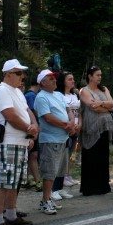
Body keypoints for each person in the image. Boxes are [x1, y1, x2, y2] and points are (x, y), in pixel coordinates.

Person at [0, 59, 35, 225]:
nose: (22, 76)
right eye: (18, 73)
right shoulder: (1, 90)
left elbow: (27, 111)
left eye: (22, 73)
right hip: (7, 141)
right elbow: (10, 116)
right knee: (3, 182)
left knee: (13, 182)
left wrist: (33, 126)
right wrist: (29, 128)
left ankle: (11, 215)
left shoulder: (17, 91)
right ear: (8, 74)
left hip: (20, 141)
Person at [34, 69, 74, 214]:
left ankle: (49, 198)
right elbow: (48, 117)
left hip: (62, 138)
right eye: (50, 79)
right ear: (42, 83)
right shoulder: (41, 97)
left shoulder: (58, 94)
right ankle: (45, 201)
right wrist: (66, 125)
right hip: (50, 140)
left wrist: (71, 122)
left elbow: (68, 110)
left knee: (57, 172)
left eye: (54, 78)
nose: (54, 80)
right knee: (49, 173)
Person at [79, 66, 113, 196]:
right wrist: (106, 106)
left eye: (100, 75)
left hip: (104, 127)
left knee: (103, 156)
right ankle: (90, 187)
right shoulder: (84, 90)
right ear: (90, 76)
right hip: (91, 127)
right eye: (97, 75)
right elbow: (93, 106)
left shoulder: (104, 89)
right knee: (91, 155)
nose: (100, 77)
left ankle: (102, 185)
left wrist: (101, 103)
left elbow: (112, 104)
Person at [56, 72, 81, 187]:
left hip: (76, 127)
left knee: (71, 152)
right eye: (69, 79)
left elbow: (79, 111)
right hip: (66, 128)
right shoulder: (59, 95)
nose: (73, 81)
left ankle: (68, 174)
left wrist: (79, 124)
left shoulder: (74, 95)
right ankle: (62, 176)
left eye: (73, 79)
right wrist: (69, 125)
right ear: (63, 81)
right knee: (64, 153)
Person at [22, 78, 42, 191]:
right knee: (33, 154)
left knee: (32, 155)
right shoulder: (31, 96)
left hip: (33, 128)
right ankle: (36, 180)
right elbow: (34, 112)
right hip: (30, 129)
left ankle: (30, 178)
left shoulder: (31, 95)